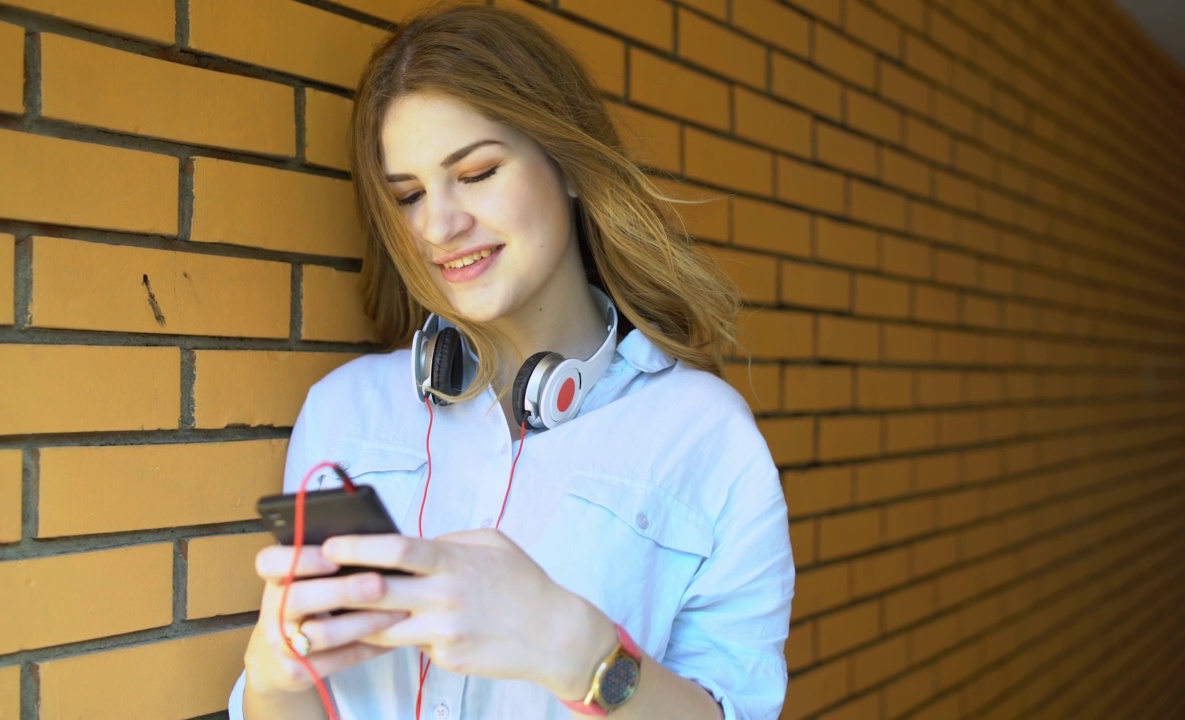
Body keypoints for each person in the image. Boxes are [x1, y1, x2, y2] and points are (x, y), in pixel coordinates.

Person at [228, 4, 794, 718]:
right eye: (407, 195)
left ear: (570, 166)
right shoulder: (344, 413)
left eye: (477, 171)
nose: (438, 225)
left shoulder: (704, 436)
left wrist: (576, 648)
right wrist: (274, 677)